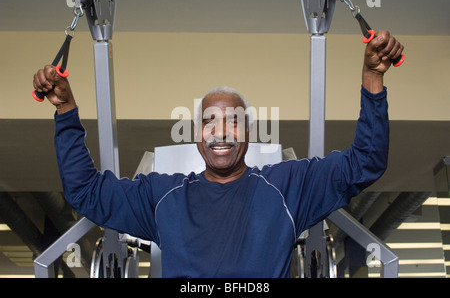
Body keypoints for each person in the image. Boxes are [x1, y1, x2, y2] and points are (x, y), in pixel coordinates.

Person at [33, 31, 403, 278]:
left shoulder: (289, 187)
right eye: (210, 121)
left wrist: (372, 78)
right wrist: (65, 110)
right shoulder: (163, 198)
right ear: (196, 136)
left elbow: (365, 162)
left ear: (249, 132)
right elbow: (84, 191)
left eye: (233, 121)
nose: (221, 131)